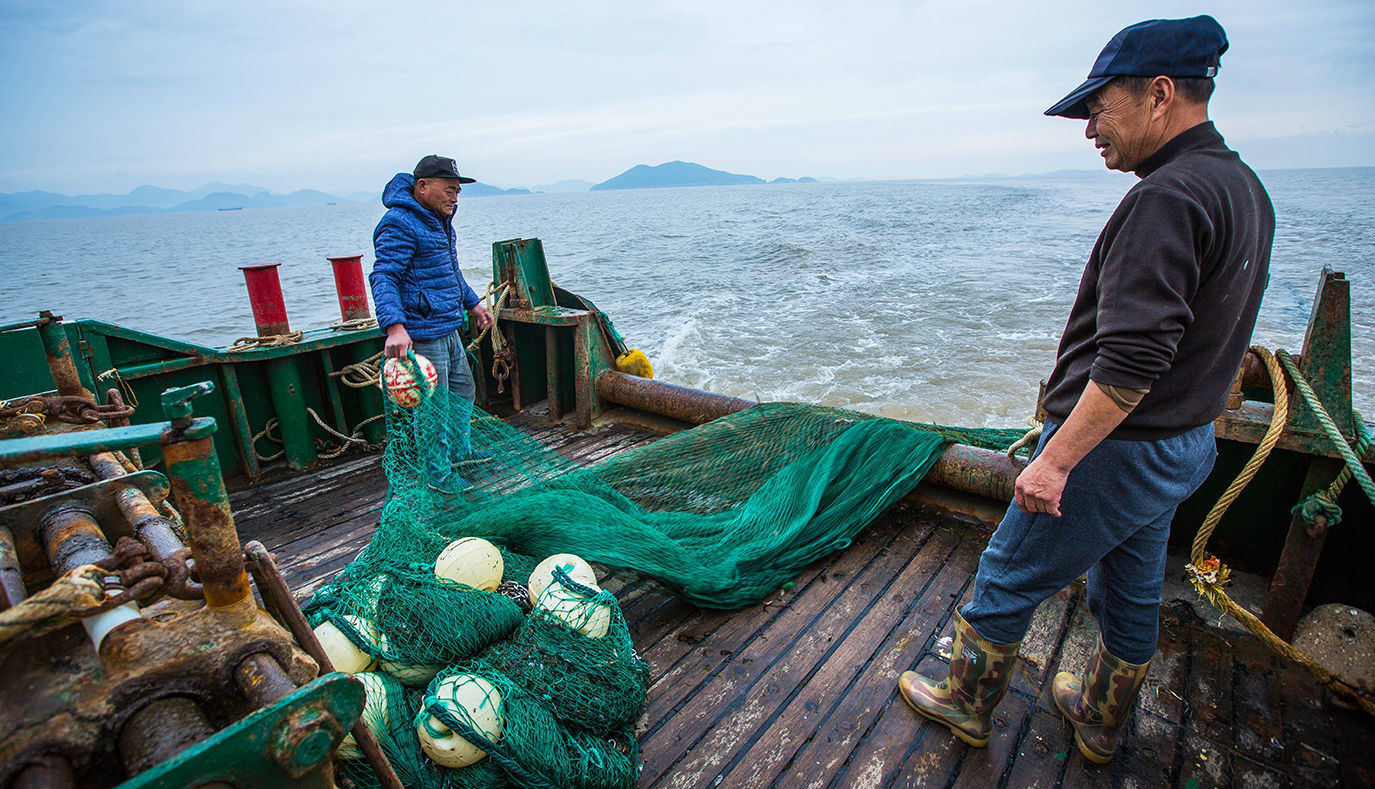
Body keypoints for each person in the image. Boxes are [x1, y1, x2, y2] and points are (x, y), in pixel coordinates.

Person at [899, 16, 1273, 764]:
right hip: (1182, 443)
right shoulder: (1241, 186)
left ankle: (966, 701)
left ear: (1159, 93)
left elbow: (1132, 360)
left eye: (1097, 109)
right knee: (1129, 585)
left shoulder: (1166, 198)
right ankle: (1101, 719)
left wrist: (1055, 460)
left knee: (1007, 570)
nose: (1088, 130)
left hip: (1117, 448)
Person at [370, 155, 495, 492]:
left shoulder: (439, 220)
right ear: (422, 187)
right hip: (422, 333)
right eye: (449, 189)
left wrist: (473, 304)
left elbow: (448, 271)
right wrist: (395, 327)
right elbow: (384, 276)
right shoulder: (400, 222)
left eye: (458, 191)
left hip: (448, 326)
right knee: (434, 409)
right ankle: (438, 476)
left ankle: (460, 452)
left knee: (463, 390)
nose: (455, 197)